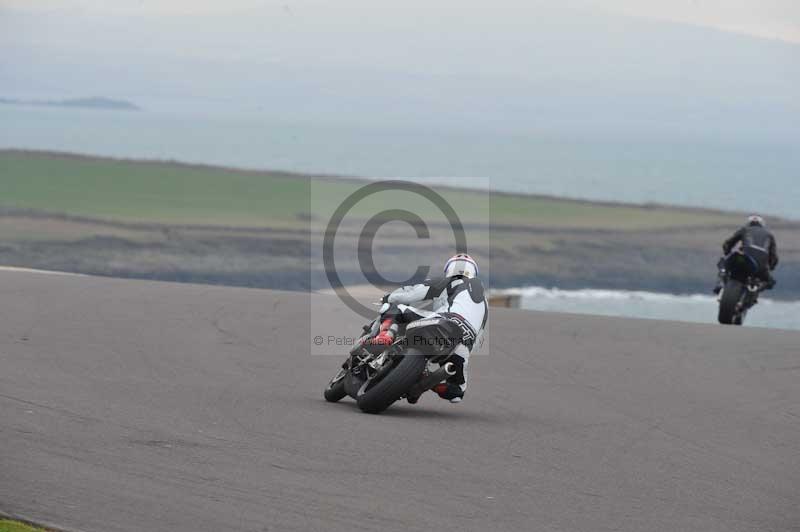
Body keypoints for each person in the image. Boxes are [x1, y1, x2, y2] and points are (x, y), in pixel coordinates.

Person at [367, 253, 488, 404]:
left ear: (449, 270)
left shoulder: (450, 281)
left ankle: (385, 337)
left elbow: (411, 294)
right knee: (457, 392)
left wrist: (388, 298)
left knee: (395, 308)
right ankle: (426, 384)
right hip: (462, 346)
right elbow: (478, 339)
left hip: (443, 323)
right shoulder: (485, 304)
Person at [714, 215, 778, 294]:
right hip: (761, 265)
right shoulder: (769, 235)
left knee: (723, 263)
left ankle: (720, 284)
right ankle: (754, 292)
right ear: (762, 224)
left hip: (744, 259)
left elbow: (728, 243)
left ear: (749, 223)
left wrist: (726, 252)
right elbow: (773, 256)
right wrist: (771, 267)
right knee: (770, 282)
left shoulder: (745, 230)